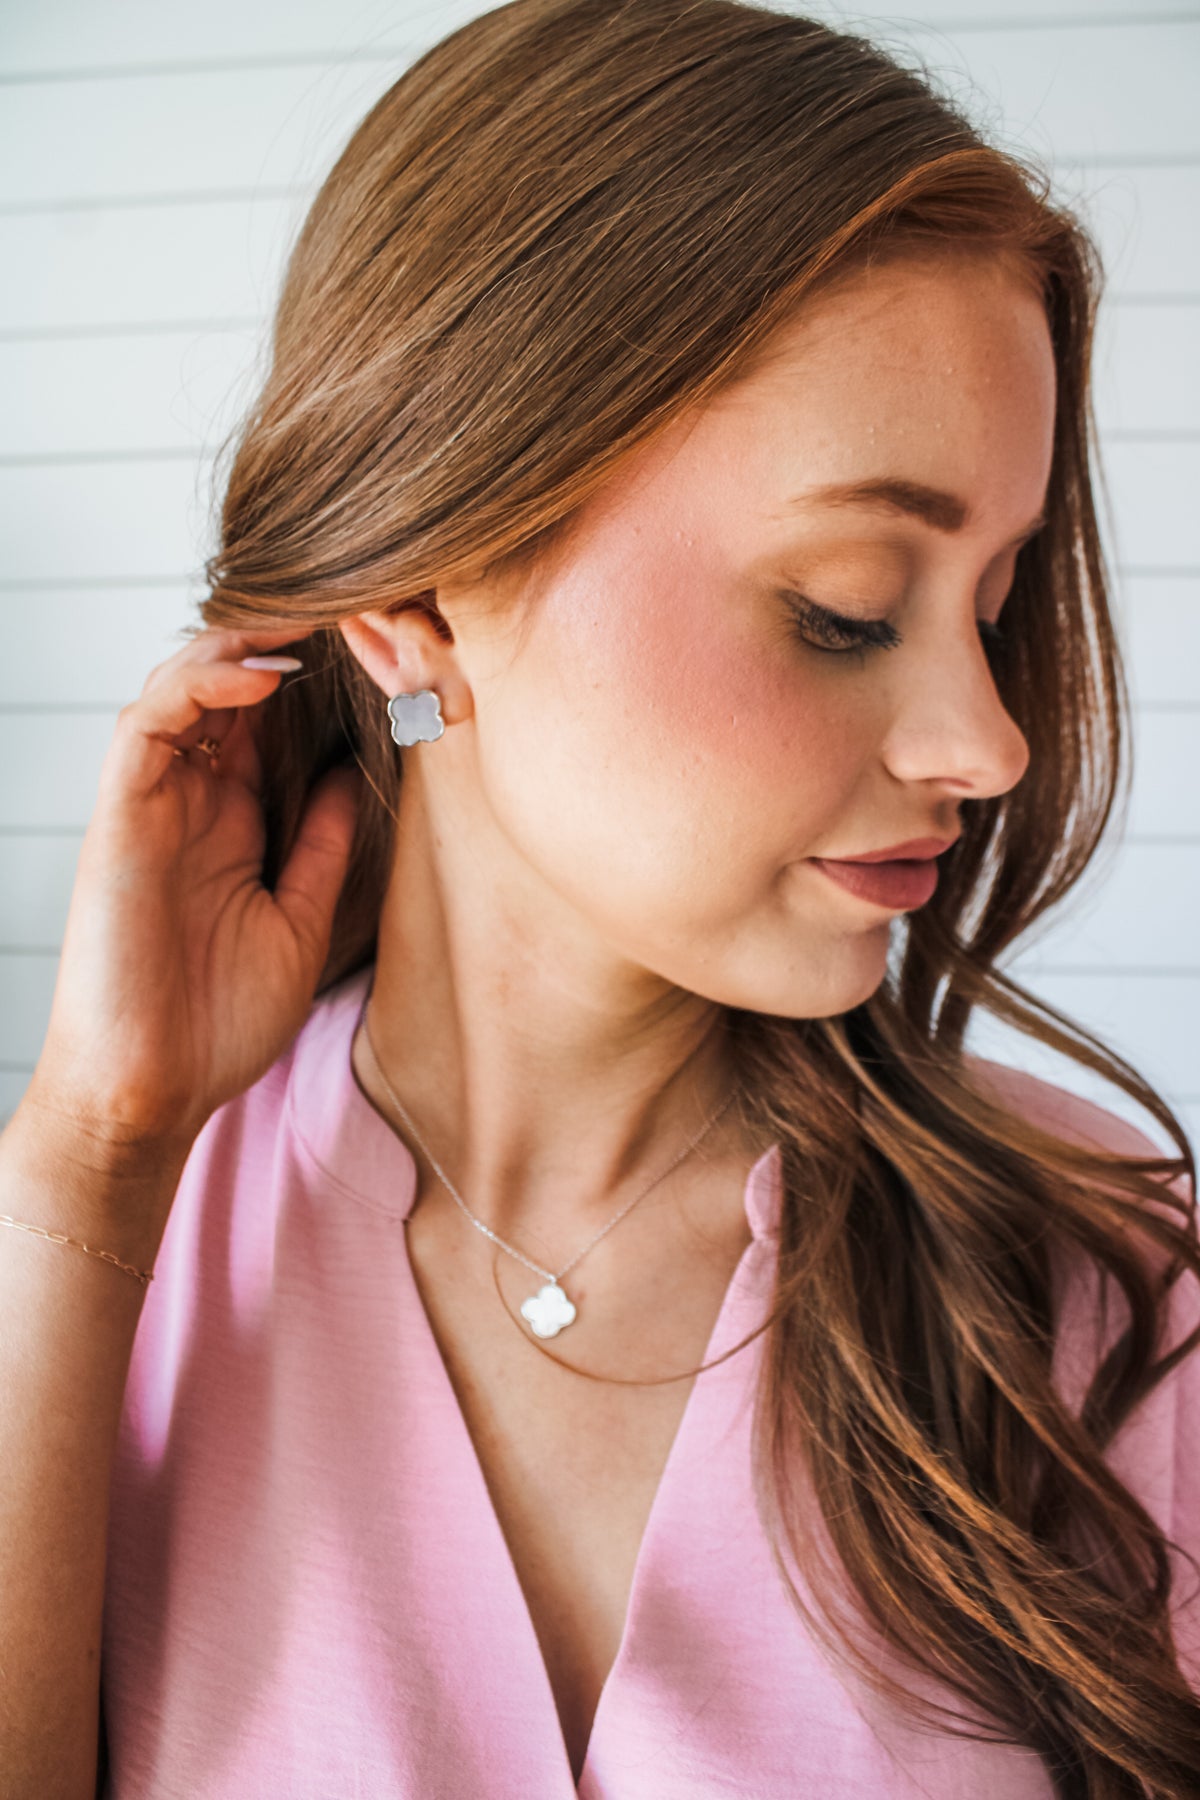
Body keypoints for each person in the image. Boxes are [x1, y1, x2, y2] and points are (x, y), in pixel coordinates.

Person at [2, 1, 1197, 1795]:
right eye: (848, 606)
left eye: (994, 599)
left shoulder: (1109, 1294)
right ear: (417, 588)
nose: (988, 739)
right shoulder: (116, 1254)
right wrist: (84, 1169)